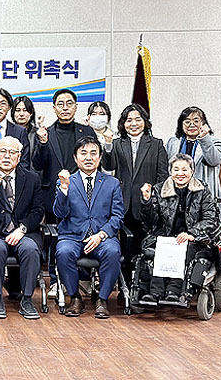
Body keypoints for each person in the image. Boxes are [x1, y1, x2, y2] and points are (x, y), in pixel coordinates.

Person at [32, 89, 96, 297]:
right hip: (54, 195)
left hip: (84, 195)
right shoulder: (46, 133)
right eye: (61, 104)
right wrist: (42, 143)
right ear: (54, 108)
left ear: (76, 107)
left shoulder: (87, 132)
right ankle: (54, 280)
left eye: (69, 103)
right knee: (55, 238)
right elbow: (38, 164)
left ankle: (84, 279)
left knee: (84, 234)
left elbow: (95, 162)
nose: (65, 107)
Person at [0, 137, 44, 319]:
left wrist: (22, 229)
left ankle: (27, 300)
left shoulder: (32, 178)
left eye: (12, 152)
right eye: (2, 151)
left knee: (30, 248)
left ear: (19, 157)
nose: (7, 156)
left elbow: (37, 211)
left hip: (23, 232)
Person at [54, 136, 124, 319]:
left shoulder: (112, 183)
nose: (88, 157)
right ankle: (75, 298)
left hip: (102, 236)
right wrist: (64, 189)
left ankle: (102, 299)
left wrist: (101, 235)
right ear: (75, 158)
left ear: (100, 158)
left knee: (112, 252)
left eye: (93, 153)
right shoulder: (66, 181)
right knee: (63, 252)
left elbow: (117, 216)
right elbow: (60, 213)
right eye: (83, 153)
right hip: (72, 236)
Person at [138, 153, 220, 305]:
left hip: (192, 238)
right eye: (176, 169)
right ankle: (155, 292)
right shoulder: (159, 189)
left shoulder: (202, 190)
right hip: (166, 236)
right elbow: (150, 221)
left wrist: (192, 234)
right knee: (161, 249)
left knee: (183, 251)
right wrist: (147, 201)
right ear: (170, 171)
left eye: (184, 169)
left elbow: (210, 219)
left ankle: (174, 291)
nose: (180, 173)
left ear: (192, 171)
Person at [102, 104, 168, 282]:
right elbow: (109, 166)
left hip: (147, 206)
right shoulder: (117, 144)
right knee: (124, 248)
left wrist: (151, 195)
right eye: (129, 120)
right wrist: (107, 145)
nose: (133, 123)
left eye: (138, 119)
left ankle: (142, 286)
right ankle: (124, 287)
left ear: (145, 122)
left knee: (143, 248)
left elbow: (163, 177)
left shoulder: (156, 145)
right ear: (123, 124)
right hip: (122, 204)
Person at [165, 106, 221, 221]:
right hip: (178, 198)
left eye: (196, 121)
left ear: (204, 123)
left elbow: (214, 160)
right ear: (181, 124)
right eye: (187, 121)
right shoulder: (173, 143)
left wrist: (204, 138)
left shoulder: (214, 142)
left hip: (204, 200)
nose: (191, 125)